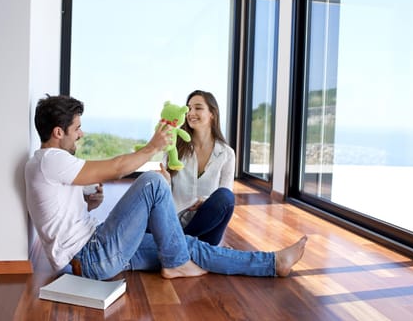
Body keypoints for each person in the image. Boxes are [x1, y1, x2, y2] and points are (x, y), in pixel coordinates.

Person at [24, 94, 307, 281]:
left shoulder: (49, 163)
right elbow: (118, 168)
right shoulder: (51, 160)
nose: (82, 134)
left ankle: (272, 263)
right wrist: (152, 147)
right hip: (91, 256)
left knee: (189, 245)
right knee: (153, 182)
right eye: (77, 128)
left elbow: (60, 212)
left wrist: (91, 202)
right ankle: (175, 263)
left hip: (96, 248)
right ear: (58, 132)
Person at [159, 90, 235, 246]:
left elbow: (225, 195)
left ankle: (176, 246)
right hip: (175, 223)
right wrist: (164, 180)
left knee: (226, 197)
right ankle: (186, 247)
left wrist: (206, 202)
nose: (191, 113)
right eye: (189, 108)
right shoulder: (175, 146)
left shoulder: (226, 153)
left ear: (212, 113)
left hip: (207, 227)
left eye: (198, 108)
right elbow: (163, 195)